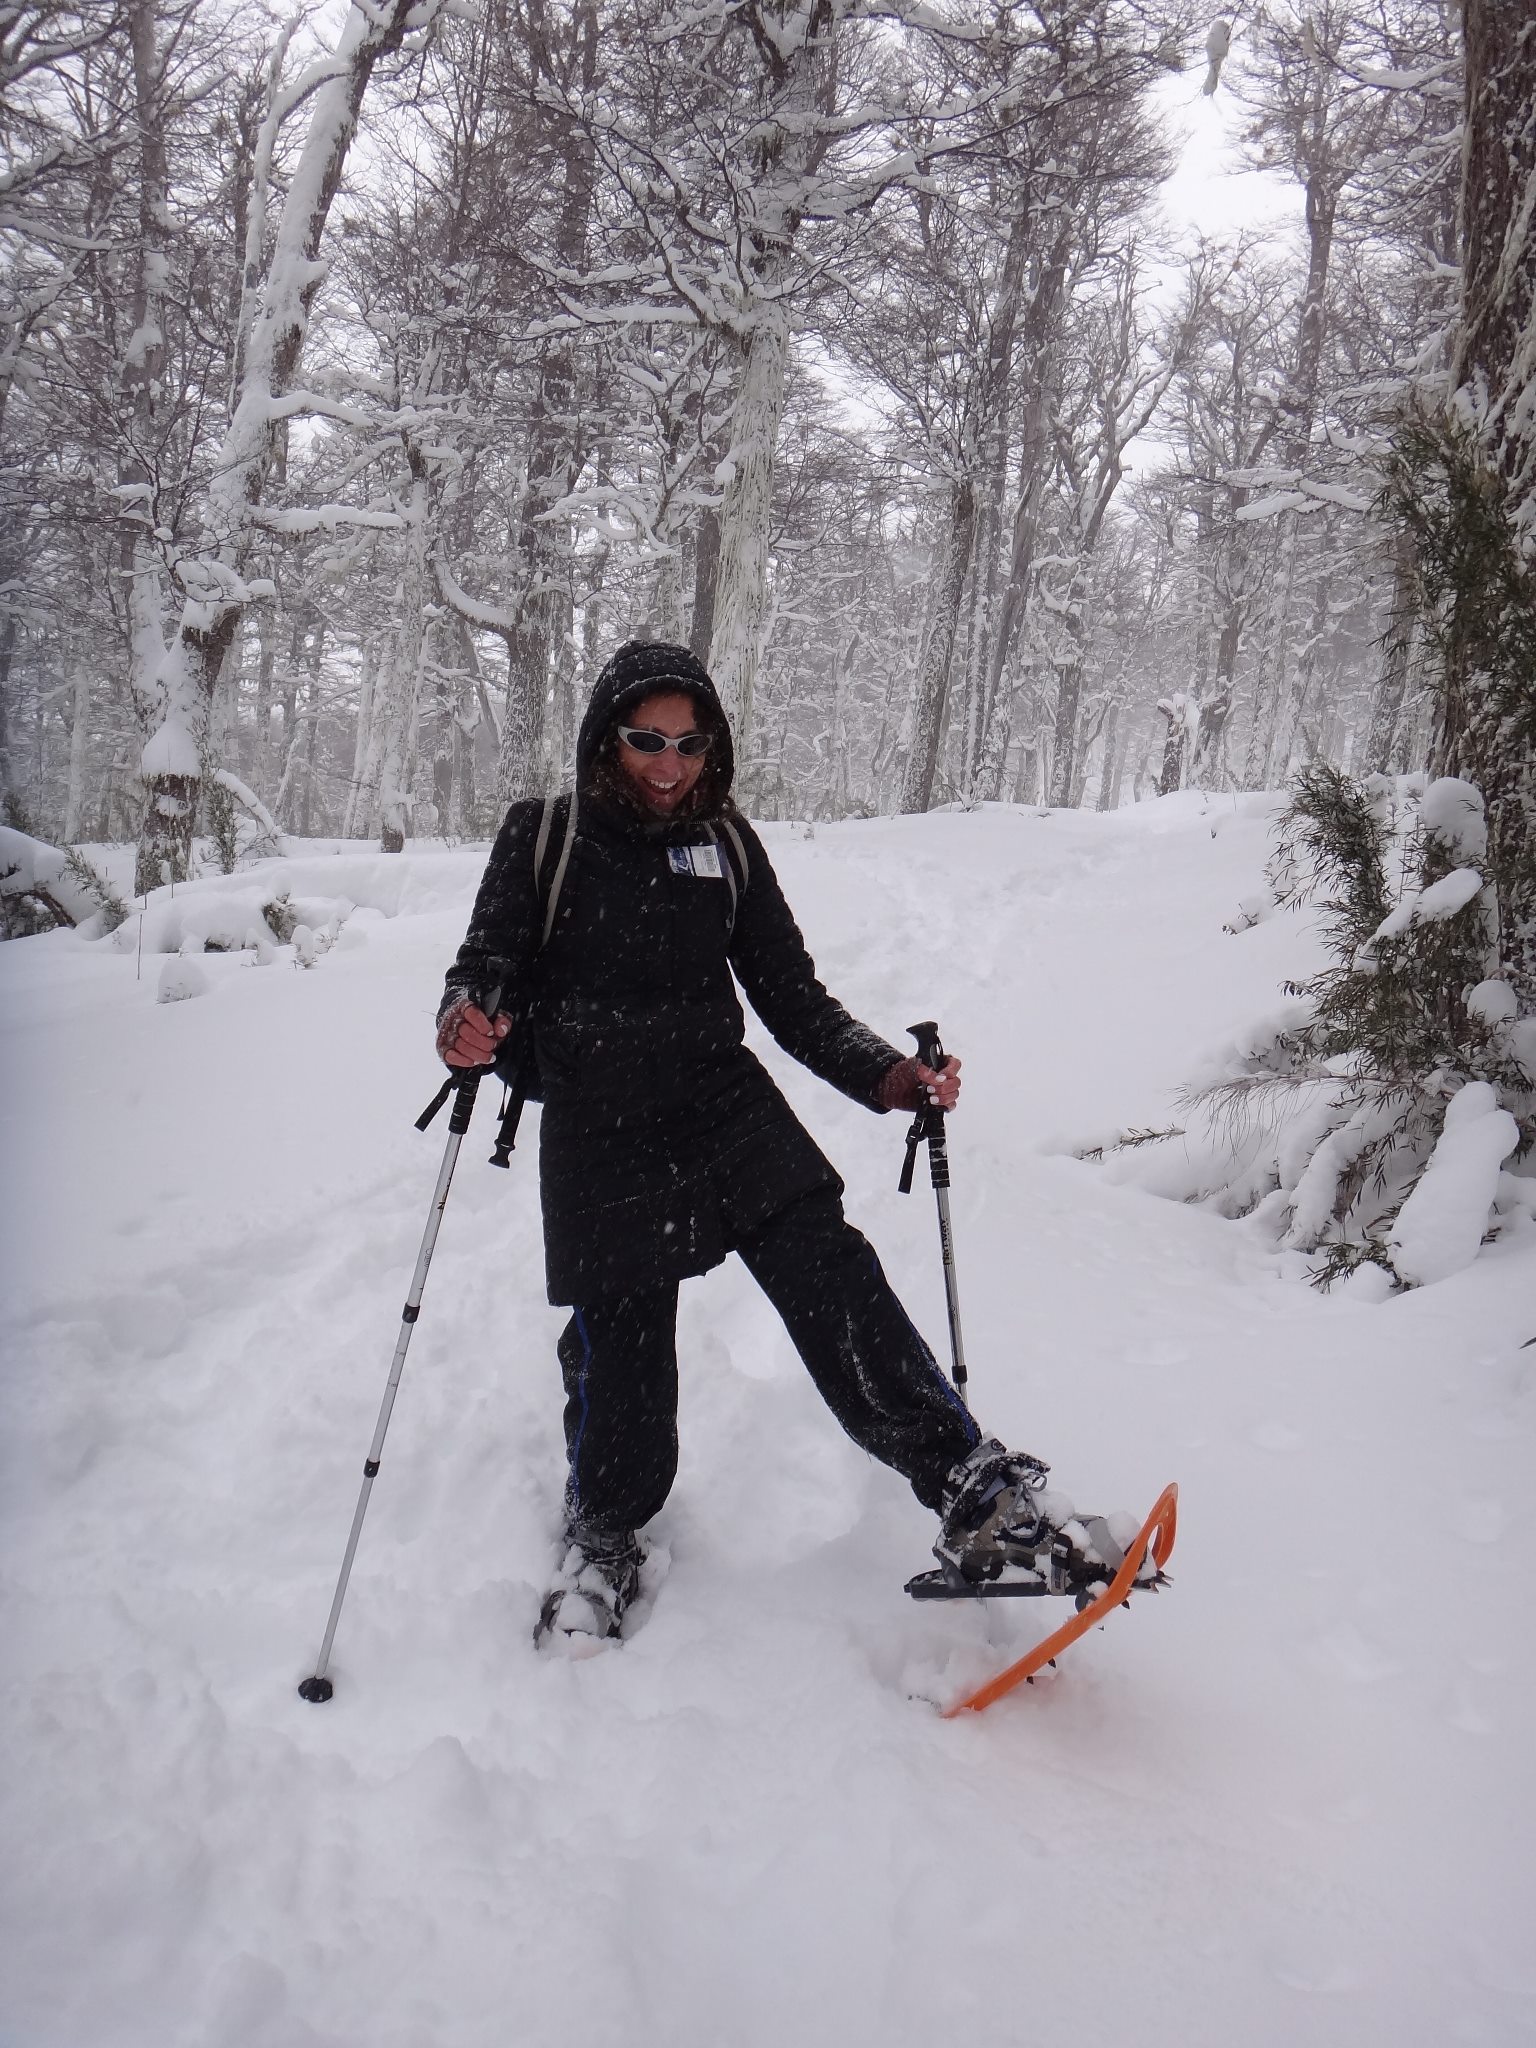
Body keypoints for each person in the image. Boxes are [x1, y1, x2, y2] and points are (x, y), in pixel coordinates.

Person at [439, 640, 1146, 1644]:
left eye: (690, 742)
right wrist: (469, 1017)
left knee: (835, 1274)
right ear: (608, 737)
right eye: (647, 739)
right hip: (599, 1119)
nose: (669, 763)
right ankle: (604, 1536)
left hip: (723, 1104)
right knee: (626, 1353)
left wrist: (886, 1075)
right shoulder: (544, 834)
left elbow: (791, 994)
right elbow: (484, 969)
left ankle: (977, 1494)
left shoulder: (724, 841)